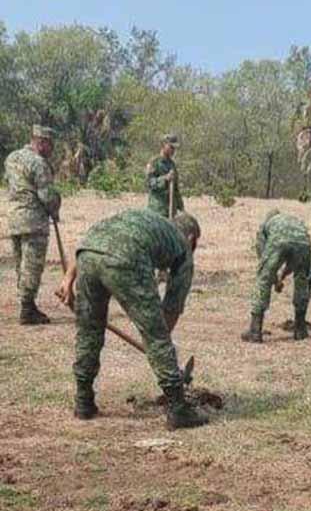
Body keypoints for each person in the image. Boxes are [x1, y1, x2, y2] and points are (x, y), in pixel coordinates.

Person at [56, 209, 207, 430]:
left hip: (86, 254)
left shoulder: (147, 222)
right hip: (125, 257)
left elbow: (95, 240)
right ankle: (178, 408)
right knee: (156, 335)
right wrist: (157, 342)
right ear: (192, 238)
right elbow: (171, 309)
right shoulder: (183, 246)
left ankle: (83, 401)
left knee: (89, 330)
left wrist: (68, 279)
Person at [4, 125, 62, 324]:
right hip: (33, 221)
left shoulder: (11, 158)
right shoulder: (39, 163)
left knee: (21, 265)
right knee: (32, 266)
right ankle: (27, 309)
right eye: (49, 145)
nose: (51, 150)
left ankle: (26, 304)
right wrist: (55, 208)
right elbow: (46, 195)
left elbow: (10, 183)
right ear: (41, 142)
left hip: (14, 218)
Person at [241, 209, 311, 343]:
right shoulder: (293, 221)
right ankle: (300, 329)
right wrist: (280, 279)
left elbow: (265, 265)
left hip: (279, 242)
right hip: (303, 243)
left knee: (263, 280)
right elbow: (292, 263)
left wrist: (275, 281)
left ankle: (255, 331)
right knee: (302, 279)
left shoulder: (266, 226)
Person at [146, 134, 184, 218]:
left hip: (171, 210)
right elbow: (150, 184)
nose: (173, 150)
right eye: (171, 147)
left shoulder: (172, 164)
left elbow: (176, 189)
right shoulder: (154, 163)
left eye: (174, 148)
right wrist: (165, 179)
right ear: (164, 145)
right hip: (158, 210)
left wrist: (180, 208)